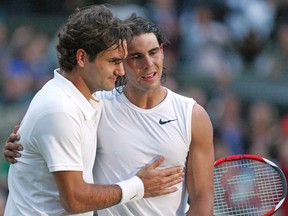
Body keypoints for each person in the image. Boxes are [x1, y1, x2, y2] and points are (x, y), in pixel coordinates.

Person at [4, 13, 214, 215]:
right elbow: (47, 124)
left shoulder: (192, 115)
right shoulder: (96, 104)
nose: (148, 64)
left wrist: (24, 145)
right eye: (136, 57)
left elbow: (203, 199)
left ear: (162, 51)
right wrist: (21, 146)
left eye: (153, 52)